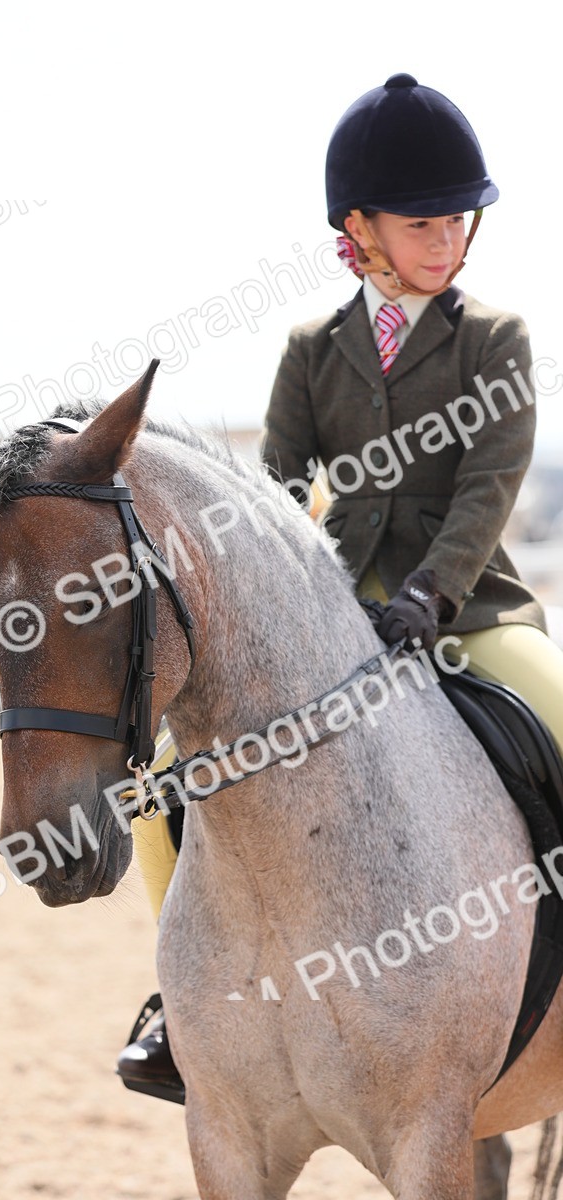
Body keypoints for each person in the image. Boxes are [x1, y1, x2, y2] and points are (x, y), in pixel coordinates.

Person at [116, 72, 563, 1101]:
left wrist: (431, 594)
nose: (446, 238)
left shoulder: (493, 339)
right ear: (357, 230)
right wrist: (286, 604)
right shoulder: (311, 351)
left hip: (468, 610)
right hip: (333, 617)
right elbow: (275, 494)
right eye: (421, 223)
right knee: (164, 786)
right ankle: (181, 1006)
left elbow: (487, 488)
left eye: (458, 219)